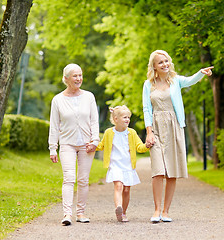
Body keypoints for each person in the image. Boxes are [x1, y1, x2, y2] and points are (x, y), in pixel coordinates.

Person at [142, 50, 213, 223]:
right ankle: (157, 210)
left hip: (174, 126)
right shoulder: (147, 84)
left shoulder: (175, 81)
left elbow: (190, 81)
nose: (165, 64)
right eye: (161, 62)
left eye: (166, 61)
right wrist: (149, 132)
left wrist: (201, 73)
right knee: (158, 171)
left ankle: (166, 211)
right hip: (157, 128)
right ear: (154, 66)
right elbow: (146, 109)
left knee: (171, 171)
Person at [48, 63, 100, 226]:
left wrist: (95, 141)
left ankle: (81, 212)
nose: (79, 78)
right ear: (66, 79)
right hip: (67, 144)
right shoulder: (58, 100)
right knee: (69, 178)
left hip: (87, 144)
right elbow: (54, 125)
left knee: (83, 179)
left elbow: (94, 121)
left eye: (80, 75)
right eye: (75, 76)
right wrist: (52, 148)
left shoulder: (89, 97)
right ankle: (66, 214)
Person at [91, 105, 149, 222]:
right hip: (115, 166)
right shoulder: (109, 132)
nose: (127, 119)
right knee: (118, 186)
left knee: (127, 190)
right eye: (124, 117)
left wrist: (147, 146)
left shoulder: (131, 133)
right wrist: (92, 146)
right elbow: (102, 145)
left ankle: (123, 213)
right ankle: (118, 207)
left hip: (128, 166)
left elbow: (139, 147)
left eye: (128, 117)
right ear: (116, 119)